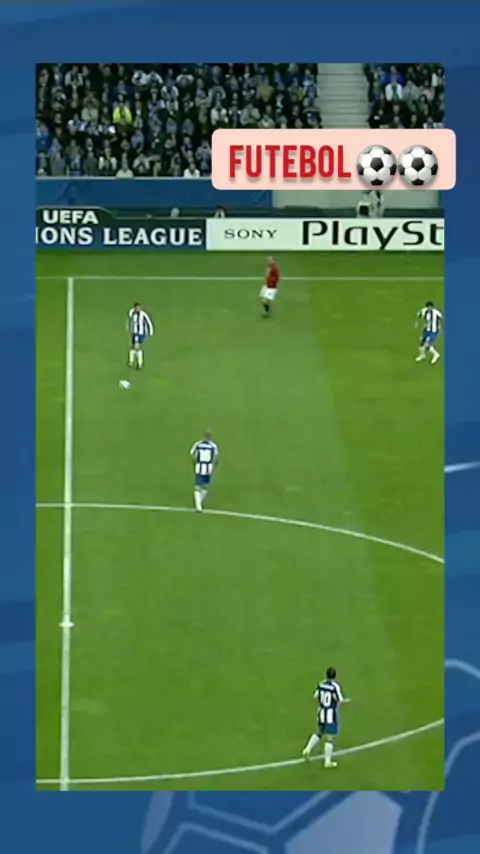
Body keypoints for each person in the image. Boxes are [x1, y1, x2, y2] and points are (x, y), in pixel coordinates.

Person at [302, 666, 351, 768]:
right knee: (330, 737)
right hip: (330, 714)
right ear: (335, 676)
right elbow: (340, 700)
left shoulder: (322, 684)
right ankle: (327, 761)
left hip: (321, 712)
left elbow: (316, 696)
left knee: (319, 732)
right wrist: (348, 702)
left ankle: (307, 749)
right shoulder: (335, 686)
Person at [190, 430, 219, 512]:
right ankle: (198, 505)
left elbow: (193, 456)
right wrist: (214, 468)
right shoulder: (213, 446)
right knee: (203, 487)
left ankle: (199, 503)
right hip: (208, 468)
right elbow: (216, 459)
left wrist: (195, 465)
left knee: (200, 487)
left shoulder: (198, 444)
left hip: (200, 467)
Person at [127, 302, 154, 369]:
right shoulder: (132, 313)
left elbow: (149, 322)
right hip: (134, 332)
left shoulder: (143, 314)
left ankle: (136, 362)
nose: (138, 309)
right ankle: (134, 362)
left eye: (139, 308)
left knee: (136, 347)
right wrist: (129, 328)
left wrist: (151, 331)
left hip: (141, 333)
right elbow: (131, 321)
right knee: (134, 347)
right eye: (136, 308)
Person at [415, 300, 443, 364]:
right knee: (421, 344)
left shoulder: (436, 313)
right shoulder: (424, 311)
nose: (429, 308)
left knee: (427, 345)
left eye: (430, 307)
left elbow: (441, 319)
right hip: (427, 330)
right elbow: (419, 315)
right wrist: (417, 323)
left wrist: (441, 327)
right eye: (428, 307)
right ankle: (422, 355)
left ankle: (436, 355)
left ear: (432, 307)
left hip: (434, 331)